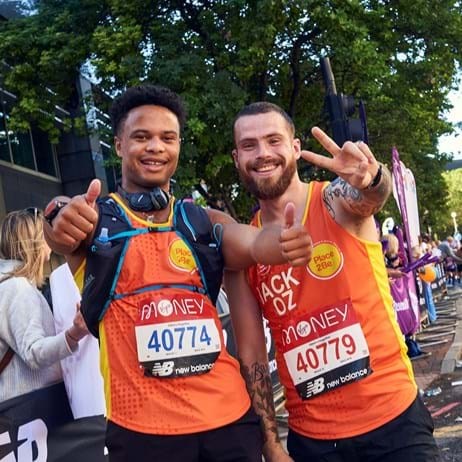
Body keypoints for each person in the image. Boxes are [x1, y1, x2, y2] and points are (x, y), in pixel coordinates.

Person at [44, 85, 312, 462]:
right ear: (119, 145)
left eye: (167, 138)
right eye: (142, 137)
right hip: (143, 434)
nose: (156, 146)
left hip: (230, 423)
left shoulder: (201, 221)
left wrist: (282, 243)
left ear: (178, 146)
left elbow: (253, 244)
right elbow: (60, 225)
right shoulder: (96, 222)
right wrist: (57, 215)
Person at [227, 101, 441, 461]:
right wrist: (271, 445)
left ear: (295, 148)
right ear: (237, 158)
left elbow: (370, 196)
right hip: (313, 441)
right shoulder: (245, 249)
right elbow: (253, 357)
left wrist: (373, 179)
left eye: (273, 140)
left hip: (394, 422)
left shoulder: (332, 200)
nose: (263, 154)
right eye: (249, 145)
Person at [0, 208, 88, 403]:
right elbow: (34, 352)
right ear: (34, 241)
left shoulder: (9, 286)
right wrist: (75, 333)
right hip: (31, 410)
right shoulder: (18, 288)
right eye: (45, 232)